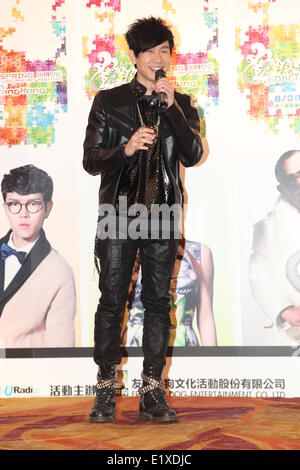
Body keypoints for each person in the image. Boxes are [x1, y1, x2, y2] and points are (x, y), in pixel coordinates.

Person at [83, 17, 203, 423]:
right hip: (119, 213)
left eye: (164, 50)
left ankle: (152, 391)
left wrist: (172, 112)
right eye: (149, 51)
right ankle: (104, 389)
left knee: (157, 303)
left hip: (163, 213)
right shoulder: (109, 101)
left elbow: (192, 154)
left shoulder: (181, 103)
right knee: (112, 302)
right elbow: (90, 161)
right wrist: (127, 148)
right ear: (133, 56)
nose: (158, 58)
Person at [0, 165, 76, 348]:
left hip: (27, 373)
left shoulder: (60, 271)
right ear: (5, 207)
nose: (23, 214)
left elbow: (61, 351)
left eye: (33, 204)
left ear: (47, 208)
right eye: (14, 204)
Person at [250, 150, 300, 345]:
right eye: (295, 177)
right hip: (290, 338)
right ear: (283, 188)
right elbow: (259, 276)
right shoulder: (267, 227)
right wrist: (284, 310)